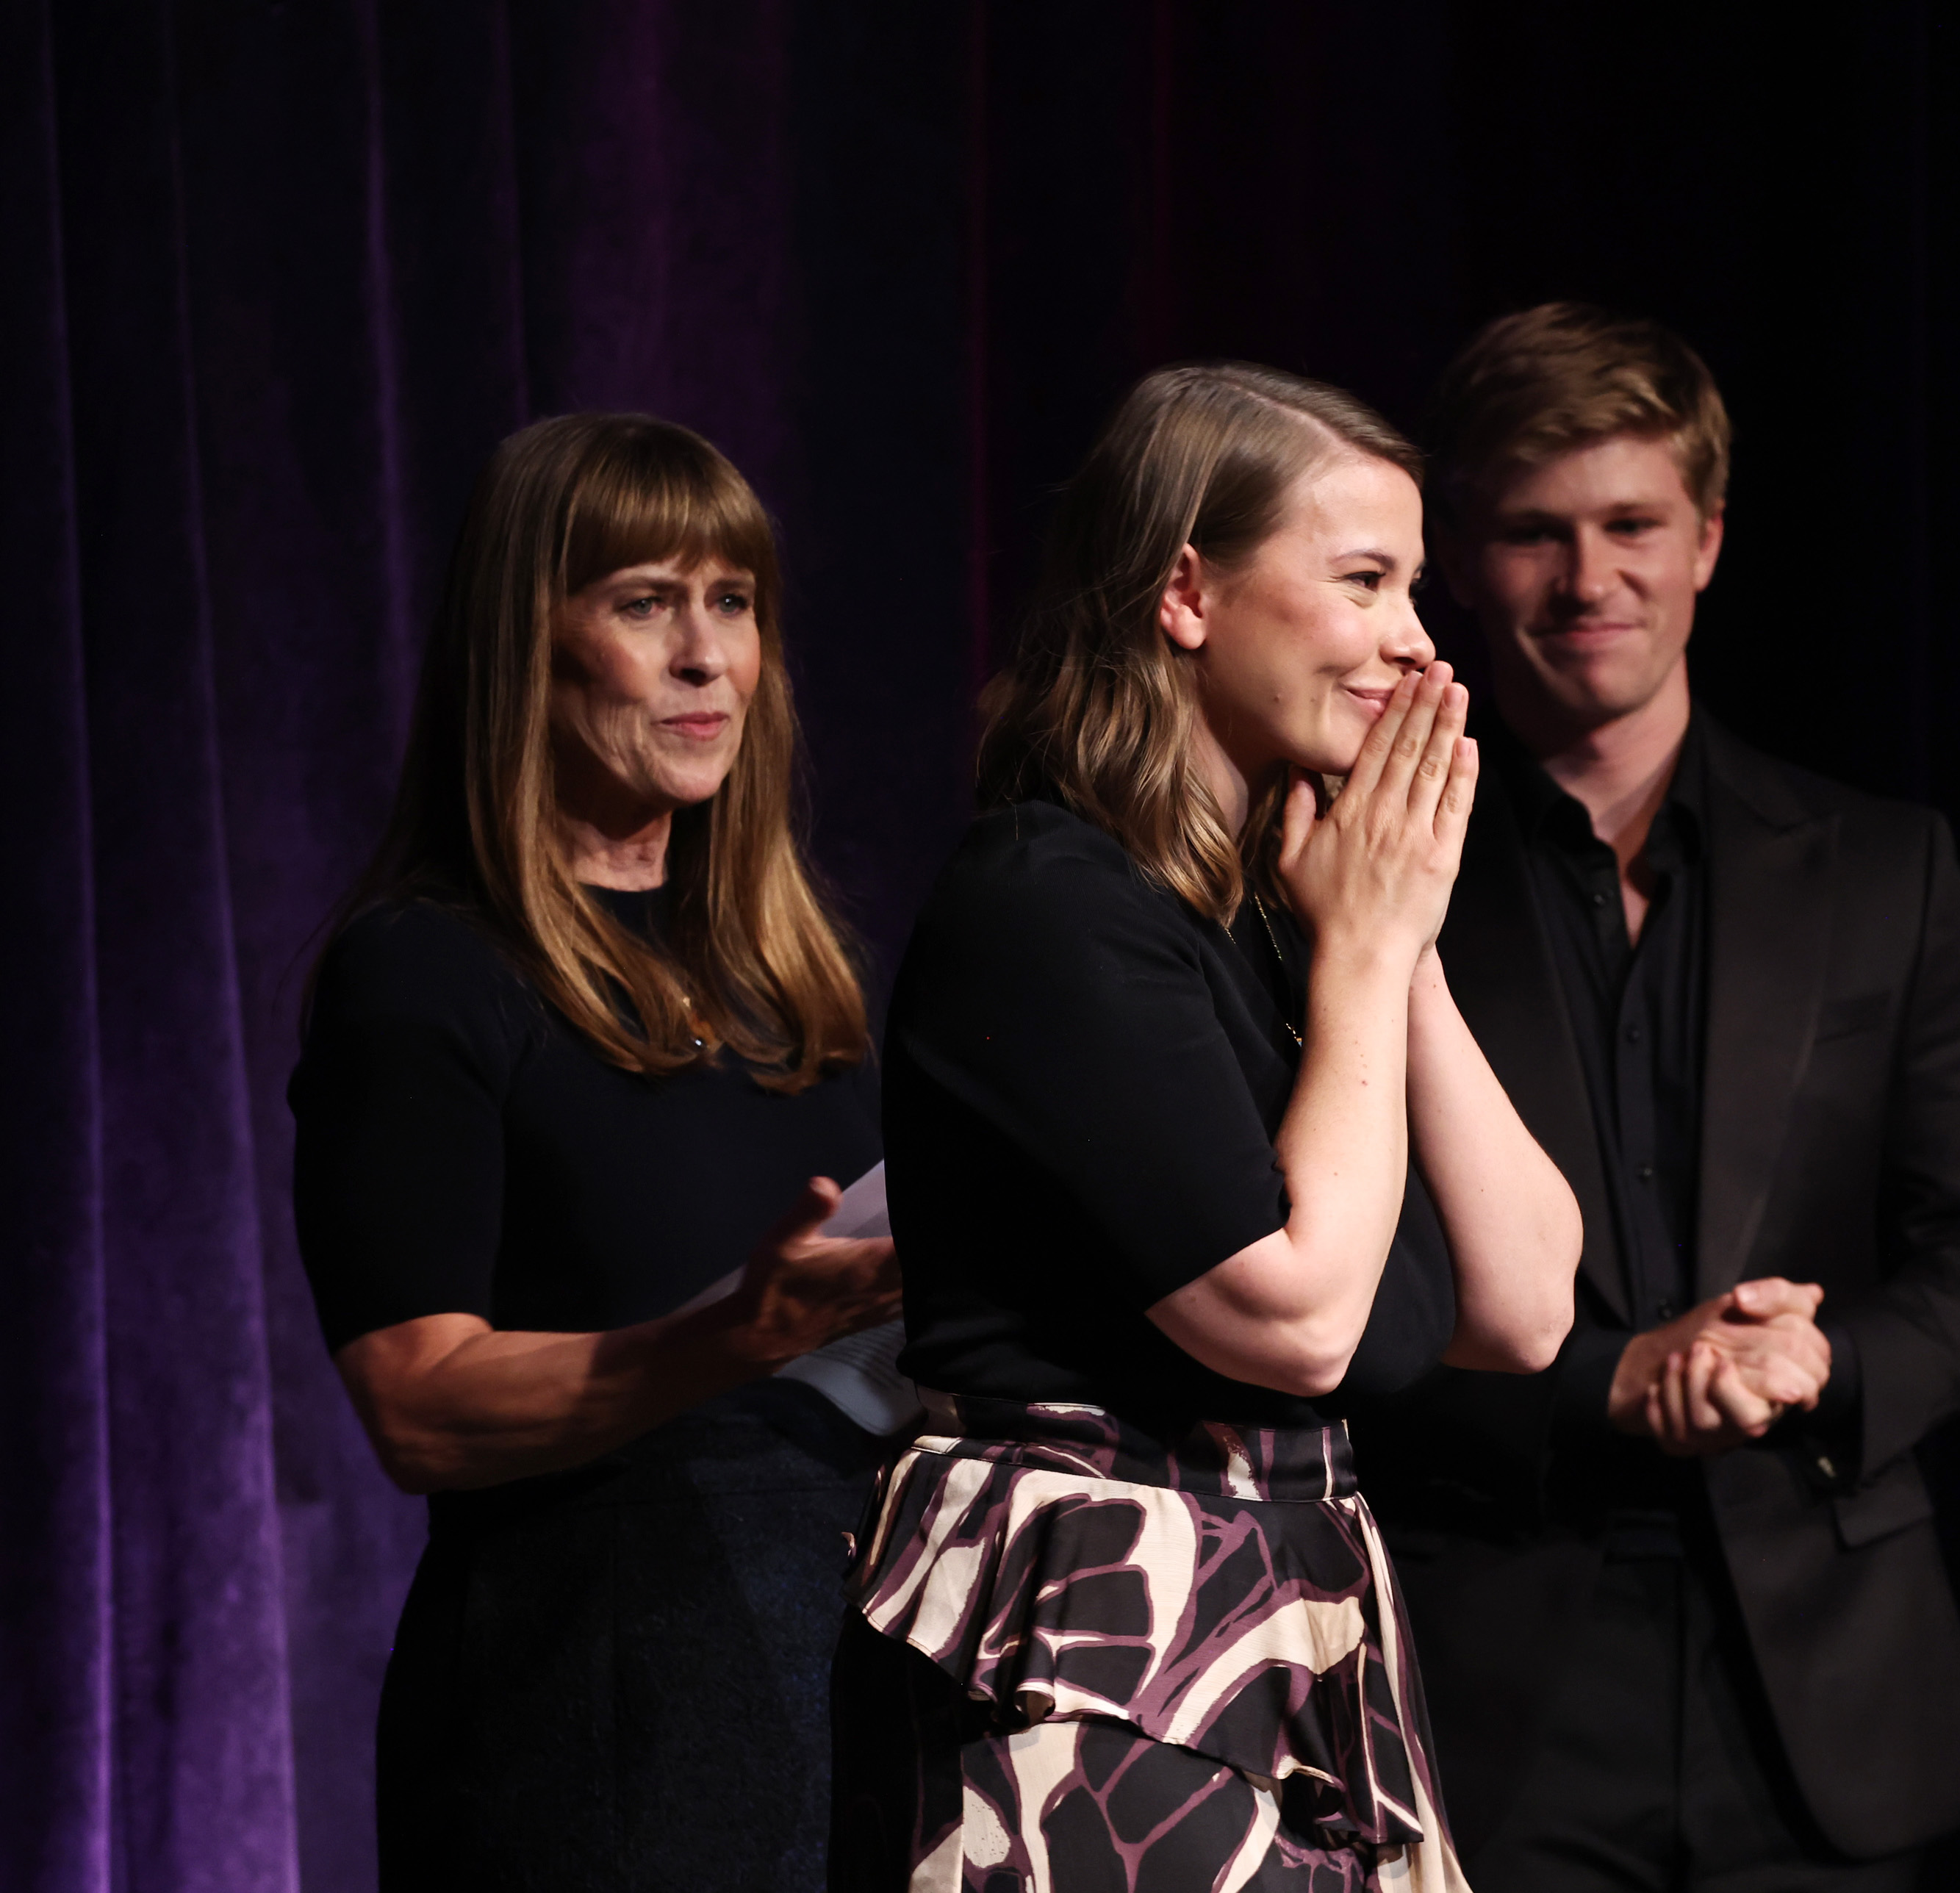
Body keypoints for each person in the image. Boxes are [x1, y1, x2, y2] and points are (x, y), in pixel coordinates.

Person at [833, 363, 1583, 1892]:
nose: (1414, 642)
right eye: (1363, 580)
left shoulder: (1281, 920)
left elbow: (1525, 1303)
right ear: (1186, 591)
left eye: (1414, 586)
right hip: (1112, 1642)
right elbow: (1294, 1321)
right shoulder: (1048, 906)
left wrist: (1395, 945)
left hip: (1295, 1607)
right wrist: (1363, 956)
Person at [1347, 304, 1960, 1890]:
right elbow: (1317, 1285)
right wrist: (1600, 1385)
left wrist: (1820, 1357)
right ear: (1455, 559)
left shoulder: (1884, 870)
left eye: (1631, 526)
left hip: (1824, 1700)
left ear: (1709, 542)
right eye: (1534, 533)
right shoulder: (1363, 878)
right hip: (1483, 1676)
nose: (1589, 581)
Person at [289, 413, 903, 1891]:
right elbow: (420, 1406)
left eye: (732, 603)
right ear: (529, 642)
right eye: (644, 602)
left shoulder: (789, 982)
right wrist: (714, 1343)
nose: (706, 657)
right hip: (597, 1710)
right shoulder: (424, 972)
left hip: (844, 1682)